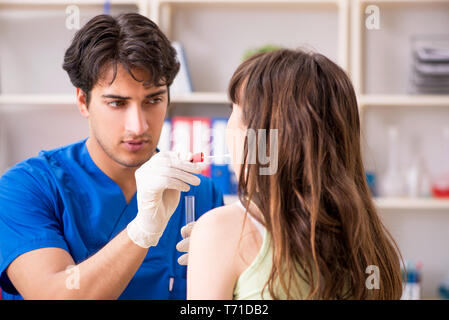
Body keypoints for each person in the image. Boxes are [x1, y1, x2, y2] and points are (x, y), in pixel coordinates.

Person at [0, 13, 223, 300]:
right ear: (83, 101)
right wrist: (143, 230)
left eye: (153, 100)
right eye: (117, 103)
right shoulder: (26, 188)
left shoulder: (200, 193)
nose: (139, 126)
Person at [187, 49, 404, 299]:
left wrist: (210, 247)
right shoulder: (372, 244)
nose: (229, 129)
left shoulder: (222, 230)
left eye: (236, 112)